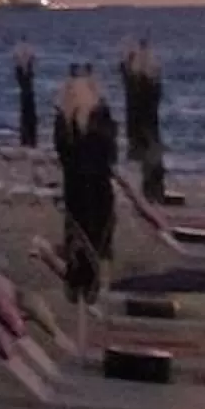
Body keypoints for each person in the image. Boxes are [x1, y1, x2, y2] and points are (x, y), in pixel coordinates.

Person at [53, 65, 120, 306]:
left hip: (74, 187)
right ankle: (97, 287)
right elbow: (111, 153)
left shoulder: (65, 120)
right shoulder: (99, 116)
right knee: (99, 236)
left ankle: (79, 285)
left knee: (77, 235)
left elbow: (61, 153)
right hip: (98, 186)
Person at [121, 35, 167, 203]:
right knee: (151, 158)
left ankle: (152, 191)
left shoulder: (136, 85)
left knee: (150, 158)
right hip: (145, 123)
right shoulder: (145, 86)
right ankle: (153, 191)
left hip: (141, 123)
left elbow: (127, 71)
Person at [10, 39, 39, 148]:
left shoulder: (21, 64)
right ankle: (29, 139)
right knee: (28, 114)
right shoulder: (26, 69)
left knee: (26, 113)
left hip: (26, 92)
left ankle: (27, 139)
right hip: (28, 92)